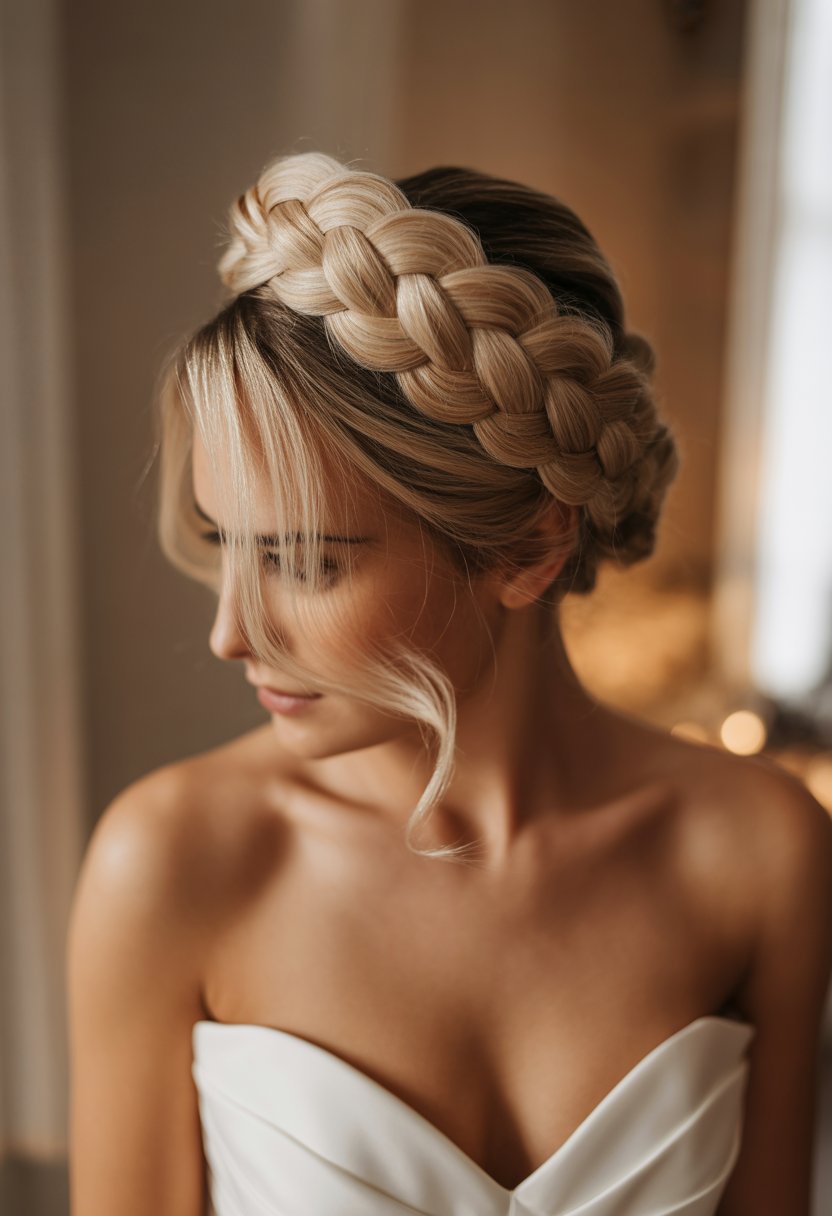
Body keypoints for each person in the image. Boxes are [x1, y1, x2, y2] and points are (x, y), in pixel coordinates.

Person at [67, 150, 832, 1216]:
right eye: (228, 542)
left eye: (306, 560)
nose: (231, 633)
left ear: (529, 545)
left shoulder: (757, 851)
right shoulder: (177, 862)